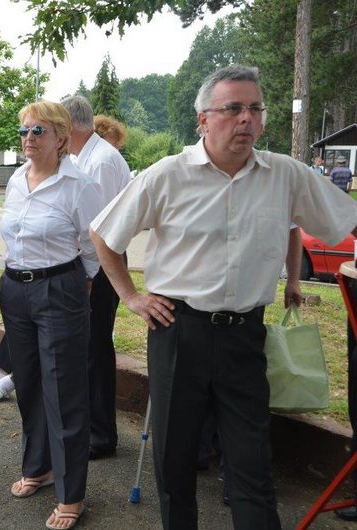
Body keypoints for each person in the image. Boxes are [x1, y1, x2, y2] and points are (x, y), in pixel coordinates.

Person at [89, 65, 357, 530]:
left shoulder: (284, 175)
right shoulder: (167, 175)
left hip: (244, 336)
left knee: (252, 466)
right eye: (233, 108)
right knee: (175, 463)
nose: (246, 118)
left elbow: (342, 220)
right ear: (203, 120)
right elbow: (104, 234)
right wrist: (131, 297)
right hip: (178, 331)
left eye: (255, 108)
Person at [0, 100, 103, 530]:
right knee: (27, 383)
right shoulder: (15, 179)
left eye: (37, 130)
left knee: (63, 391)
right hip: (14, 288)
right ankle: (38, 466)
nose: (28, 138)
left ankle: (70, 493)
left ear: (61, 137)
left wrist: (79, 285)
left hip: (58, 287)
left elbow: (95, 247)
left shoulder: (80, 185)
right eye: (23, 131)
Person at [62, 95, 132, 461]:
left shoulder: (101, 160)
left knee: (95, 348)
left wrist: (88, 275)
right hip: (92, 263)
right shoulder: (84, 155)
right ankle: (90, 425)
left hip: (102, 264)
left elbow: (98, 227)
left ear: (70, 126)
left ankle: (101, 434)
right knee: (86, 347)